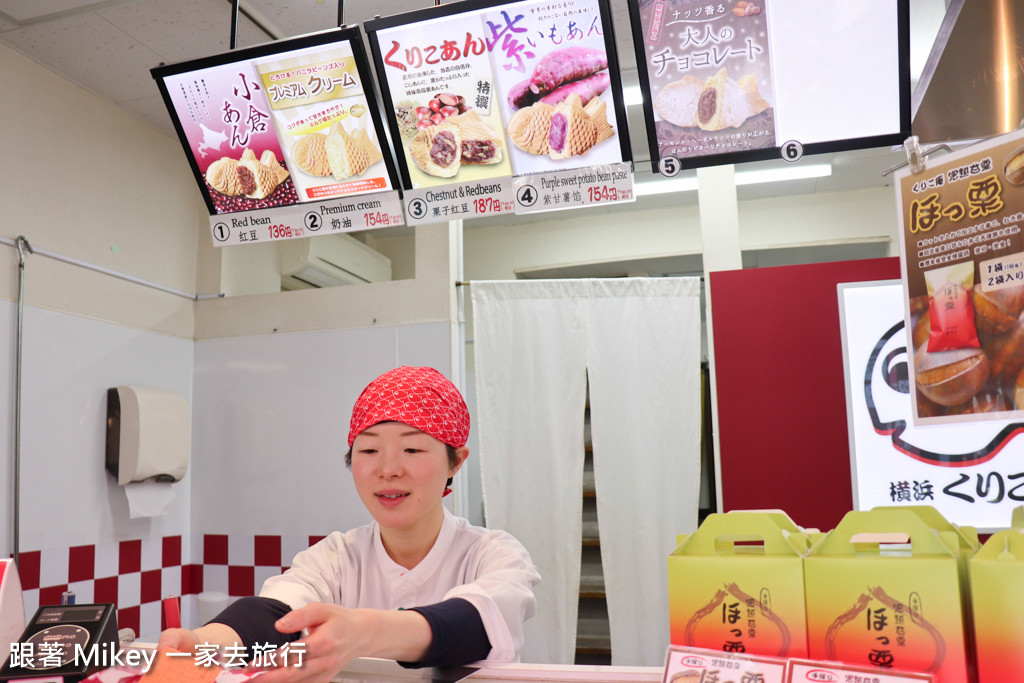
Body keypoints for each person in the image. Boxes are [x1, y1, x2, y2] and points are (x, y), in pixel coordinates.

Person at [157, 366, 540, 682]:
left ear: (455, 461)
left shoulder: (493, 555)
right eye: (369, 450)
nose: (388, 470)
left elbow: (476, 624)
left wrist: (362, 633)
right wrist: (202, 642)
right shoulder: (337, 556)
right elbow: (273, 614)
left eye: (412, 449)